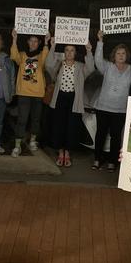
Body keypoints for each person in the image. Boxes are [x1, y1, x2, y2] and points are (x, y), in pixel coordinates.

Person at [45, 36, 95, 167]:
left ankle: (67, 153)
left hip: (74, 100)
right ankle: (60, 152)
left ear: (75, 53)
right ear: (64, 52)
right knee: (59, 126)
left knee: (71, 127)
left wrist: (89, 51)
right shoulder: (59, 64)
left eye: (72, 50)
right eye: (67, 50)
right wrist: (53, 46)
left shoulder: (80, 66)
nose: (69, 52)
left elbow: (90, 68)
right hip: (59, 99)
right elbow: (48, 65)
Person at [93, 30, 131, 172]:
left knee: (116, 137)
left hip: (120, 109)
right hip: (103, 107)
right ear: (114, 56)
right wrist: (100, 42)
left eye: (123, 53)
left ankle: (112, 162)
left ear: (126, 55)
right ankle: (97, 159)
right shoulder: (107, 67)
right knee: (101, 135)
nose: (121, 56)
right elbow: (97, 60)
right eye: (118, 53)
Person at [10, 29, 51, 157]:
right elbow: (13, 55)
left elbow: (46, 58)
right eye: (31, 41)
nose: (33, 44)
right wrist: (14, 38)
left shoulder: (41, 56)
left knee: (36, 120)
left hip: (38, 94)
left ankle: (33, 141)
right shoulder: (22, 55)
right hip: (23, 93)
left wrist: (46, 42)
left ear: (38, 43)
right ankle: (17, 146)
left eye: (35, 41)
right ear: (27, 42)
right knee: (22, 119)